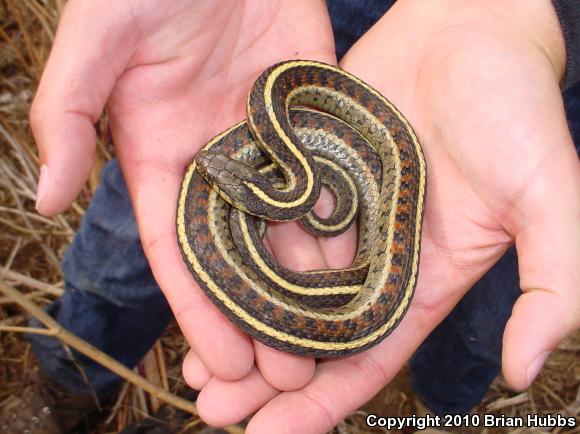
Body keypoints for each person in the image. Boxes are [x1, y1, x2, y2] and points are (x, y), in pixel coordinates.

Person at [1, 0, 579, 433]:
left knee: (482, 313)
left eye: (229, 176)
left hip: (490, 37)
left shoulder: (339, 166)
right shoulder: (273, 121)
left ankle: (437, 409)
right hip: (279, 16)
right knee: (131, 245)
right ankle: (67, 375)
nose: (215, 170)